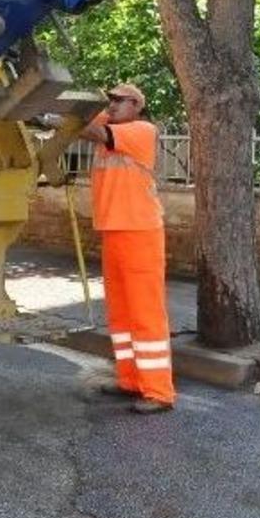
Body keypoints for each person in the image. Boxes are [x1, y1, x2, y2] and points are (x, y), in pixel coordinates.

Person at [75, 84, 175, 413]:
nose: (112, 104)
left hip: (140, 232)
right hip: (115, 231)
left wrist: (58, 116)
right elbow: (89, 117)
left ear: (136, 105)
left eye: (119, 100)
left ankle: (159, 392)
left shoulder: (141, 130)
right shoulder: (112, 126)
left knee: (145, 313)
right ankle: (130, 380)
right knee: (120, 314)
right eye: (110, 99)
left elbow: (89, 126)